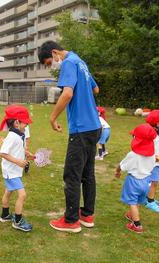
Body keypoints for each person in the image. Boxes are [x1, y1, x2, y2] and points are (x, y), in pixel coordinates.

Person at [38, 41, 101, 232]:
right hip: (94, 126)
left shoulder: (68, 62)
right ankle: (87, 214)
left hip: (81, 129)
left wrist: (52, 117)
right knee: (87, 174)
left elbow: (67, 94)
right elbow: (95, 89)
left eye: (50, 62)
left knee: (72, 175)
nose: (52, 66)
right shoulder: (80, 61)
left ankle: (71, 220)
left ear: (55, 52)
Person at [115, 123, 157, 233]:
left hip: (133, 181)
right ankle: (132, 215)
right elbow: (152, 166)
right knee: (138, 200)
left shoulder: (133, 155)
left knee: (132, 202)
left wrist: (117, 171)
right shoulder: (152, 155)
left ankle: (137, 225)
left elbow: (122, 166)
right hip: (146, 181)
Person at [0, 105, 34, 232]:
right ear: (17, 123)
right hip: (11, 171)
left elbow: (19, 150)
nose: (27, 126)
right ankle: (18, 221)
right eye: (25, 123)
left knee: (8, 191)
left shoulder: (19, 135)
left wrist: (28, 154)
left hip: (13, 170)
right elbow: (3, 152)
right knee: (22, 194)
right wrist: (19, 162)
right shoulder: (12, 137)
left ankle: (5, 215)